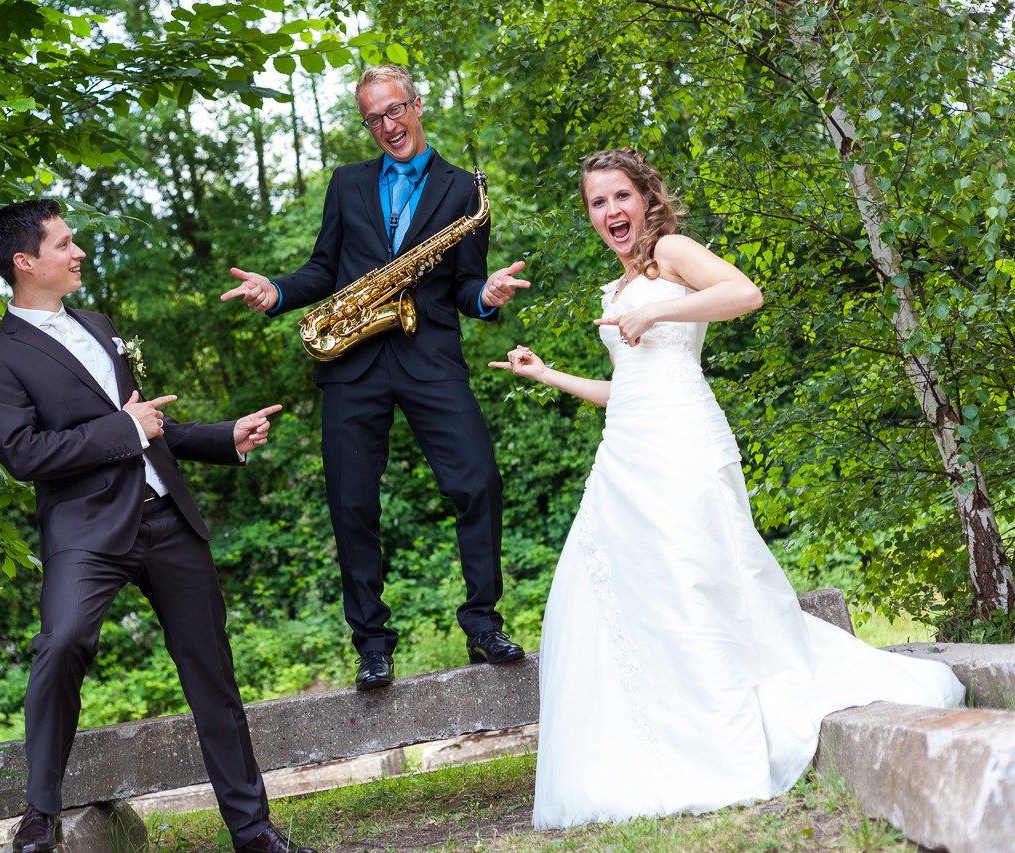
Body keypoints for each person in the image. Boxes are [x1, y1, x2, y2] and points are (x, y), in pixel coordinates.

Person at [489, 148, 965, 829]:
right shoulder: (614, 290)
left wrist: (653, 317)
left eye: (620, 196)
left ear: (645, 199)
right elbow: (624, 389)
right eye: (597, 203)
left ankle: (723, 733)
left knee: (698, 576)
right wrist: (549, 374)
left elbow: (746, 293)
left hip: (685, 442)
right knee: (628, 591)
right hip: (626, 453)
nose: (611, 212)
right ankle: (668, 739)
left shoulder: (675, 253)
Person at [0, 200, 315, 853]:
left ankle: (253, 829)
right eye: (65, 244)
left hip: (169, 520)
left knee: (212, 672)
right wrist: (125, 427)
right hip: (86, 530)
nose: (78, 253)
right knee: (61, 643)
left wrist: (223, 437)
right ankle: (39, 814)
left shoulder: (99, 326)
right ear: (24, 260)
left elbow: (151, 425)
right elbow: (25, 454)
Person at [221, 64, 532, 691]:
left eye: (396, 110)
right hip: (353, 362)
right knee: (352, 505)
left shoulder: (465, 189)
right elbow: (323, 268)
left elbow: (470, 284)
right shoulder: (347, 183)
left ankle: (482, 624)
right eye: (373, 118)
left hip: (430, 356)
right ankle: (372, 642)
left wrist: (490, 295)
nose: (388, 126)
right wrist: (276, 290)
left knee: (478, 482)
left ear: (418, 105)